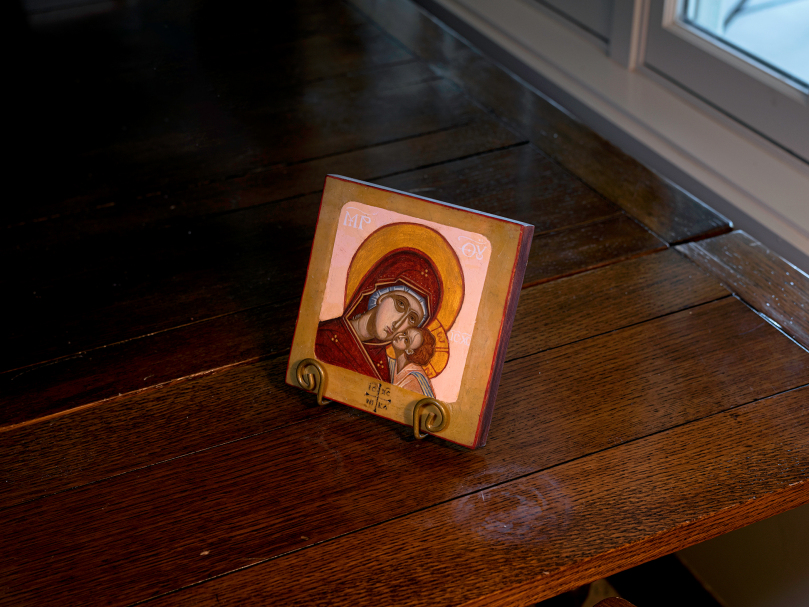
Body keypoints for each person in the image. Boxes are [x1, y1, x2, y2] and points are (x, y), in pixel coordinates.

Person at [388, 327, 437, 397]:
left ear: (410, 351)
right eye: (404, 333)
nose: (400, 336)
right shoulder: (391, 364)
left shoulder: (414, 379)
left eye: (406, 340)